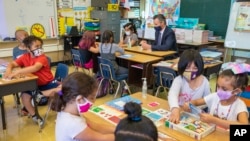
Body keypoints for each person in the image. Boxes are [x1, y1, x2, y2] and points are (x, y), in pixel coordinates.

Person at [4, 35, 60, 126]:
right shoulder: (25, 57)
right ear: (28, 48)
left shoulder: (42, 57)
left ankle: (39, 94)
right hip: (33, 84)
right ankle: (35, 116)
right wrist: (8, 71)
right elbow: (11, 64)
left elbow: (35, 67)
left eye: (40, 46)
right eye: (36, 46)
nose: (39, 48)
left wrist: (16, 72)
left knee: (61, 90)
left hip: (48, 83)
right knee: (24, 97)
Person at [52, 72, 115, 141]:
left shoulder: (68, 112)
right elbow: (101, 138)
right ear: (79, 99)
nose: (94, 101)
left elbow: (95, 126)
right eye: (92, 98)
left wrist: (117, 129)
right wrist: (124, 135)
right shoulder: (73, 123)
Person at [183, 68, 249, 129]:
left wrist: (214, 120)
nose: (219, 91)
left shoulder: (239, 105)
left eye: (224, 89)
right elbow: (196, 102)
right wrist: (189, 104)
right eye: (218, 86)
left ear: (236, 91)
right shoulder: (215, 96)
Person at [168, 49, 210, 124]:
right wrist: (175, 109)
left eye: (195, 68)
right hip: (179, 113)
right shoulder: (179, 80)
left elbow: (208, 101)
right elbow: (172, 94)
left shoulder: (205, 82)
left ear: (199, 68)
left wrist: (195, 106)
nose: (191, 71)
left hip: (196, 117)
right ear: (182, 67)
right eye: (187, 68)